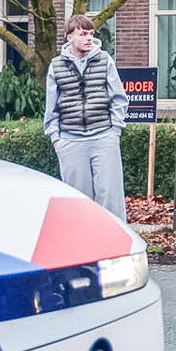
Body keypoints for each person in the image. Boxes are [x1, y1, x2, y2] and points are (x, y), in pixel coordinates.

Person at [43, 14, 128, 220]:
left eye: (91, 34)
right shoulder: (56, 66)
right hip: (70, 140)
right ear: (69, 37)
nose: (89, 38)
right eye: (83, 34)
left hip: (103, 137)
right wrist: (56, 138)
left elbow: (119, 97)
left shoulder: (104, 59)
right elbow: (51, 106)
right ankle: (82, 247)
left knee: (111, 196)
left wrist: (114, 130)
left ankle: (115, 246)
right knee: (78, 199)